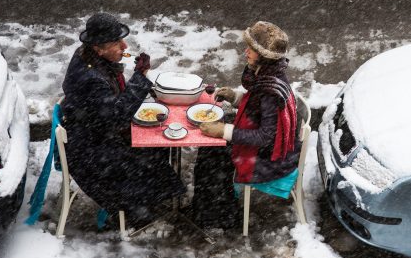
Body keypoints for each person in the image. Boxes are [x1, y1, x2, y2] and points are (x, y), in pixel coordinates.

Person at [61, 13, 184, 227]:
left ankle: (151, 198)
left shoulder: (89, 56)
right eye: (116, 42)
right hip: (91, 154)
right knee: (150, 153)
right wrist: (140, 77)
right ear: (98, 48)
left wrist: (134, 67)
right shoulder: (90, 79)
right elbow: (117, 116)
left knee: (154, 145)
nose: (124, 45)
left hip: (93, 134)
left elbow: (111, 101)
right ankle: (136, 210)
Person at [200, 21, 301, 200]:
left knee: (212, 153)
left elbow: (265, 137)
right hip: (271, 152)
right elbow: (258, 109)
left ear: (264, 56)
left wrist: (224, 131)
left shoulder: (270, 91)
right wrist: (235, 97)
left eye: (251, 49)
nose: (246, 52)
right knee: (213, 146)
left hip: (270, 161)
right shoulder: (268, 76)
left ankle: (219, 215)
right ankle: (216, 206)